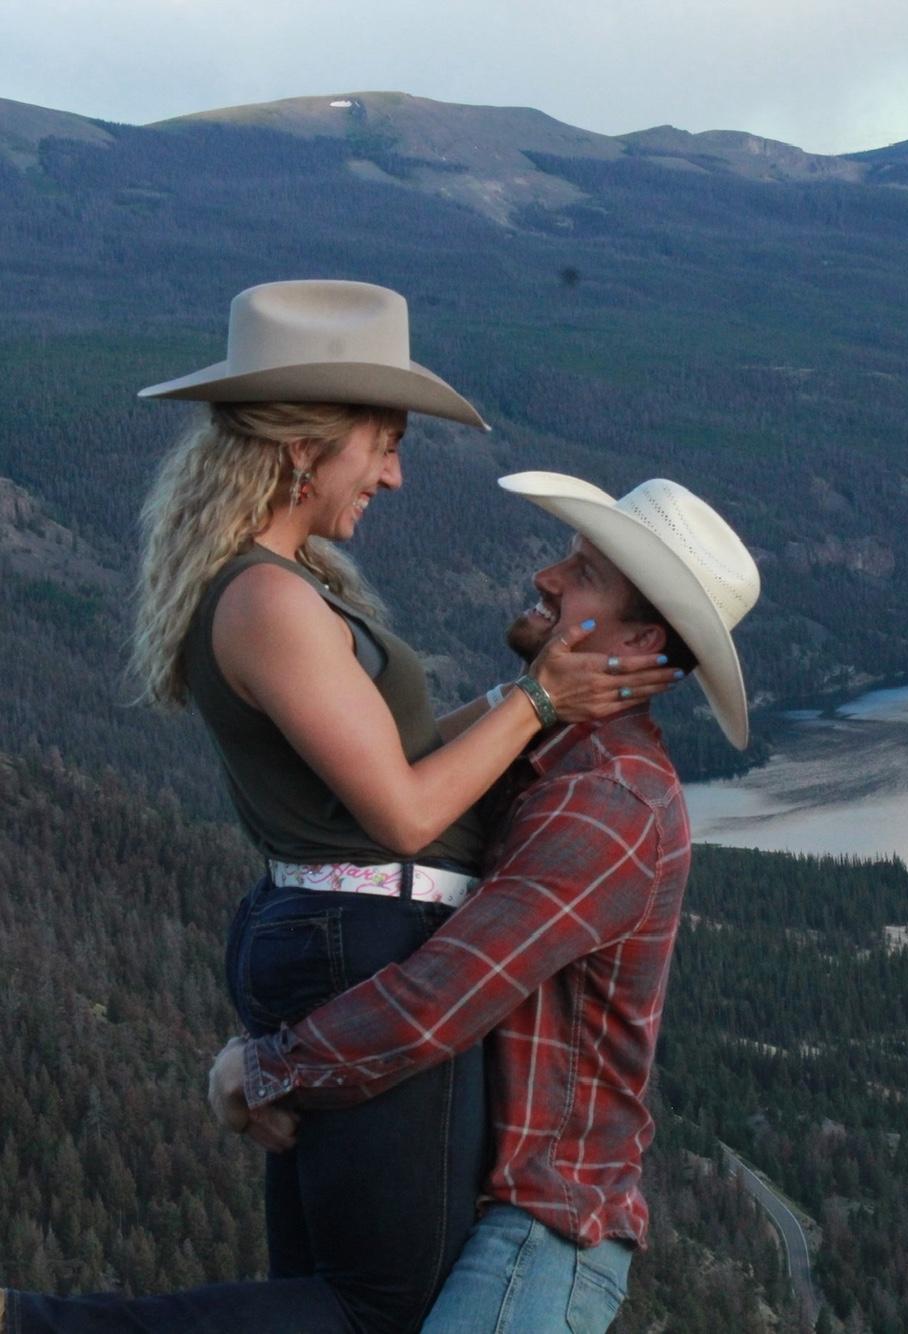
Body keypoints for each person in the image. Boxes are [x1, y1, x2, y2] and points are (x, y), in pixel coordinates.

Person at [0, 282, 675, 1334]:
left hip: (335, 930)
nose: (396, 473)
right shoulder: (269, 597)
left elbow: (393, 753)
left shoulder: (279, 581)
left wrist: (521, 699)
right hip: (361, 932)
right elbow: (405, 812)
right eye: (385, 443)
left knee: (325, 1290)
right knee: (377, 1305)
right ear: (306, 446)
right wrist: (542, 697)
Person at [207, 469, 761, 1333]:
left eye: (582, 573)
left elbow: (438, 1002)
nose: (546, 576)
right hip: (486, 1213)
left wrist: (268, 1066)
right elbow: (403, 778)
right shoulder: (548, 760)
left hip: (538, 1235)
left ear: (641, 638)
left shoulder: (610, 802)